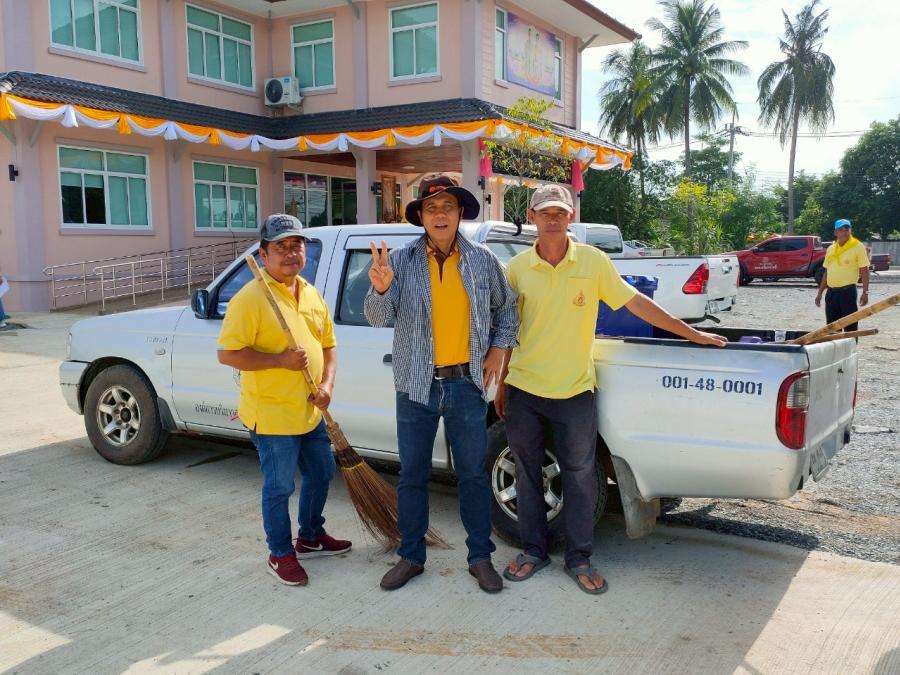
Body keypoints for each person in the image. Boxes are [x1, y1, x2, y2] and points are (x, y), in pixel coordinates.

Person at [495, 185, 726, 595]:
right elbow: (509, 329)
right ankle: (533, 551)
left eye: (560, 212)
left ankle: (579, 558)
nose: (553, 219)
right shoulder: (517, 269)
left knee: (581, 476)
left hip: (574, 391)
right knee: (528, 474)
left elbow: (635, 303)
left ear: (571, 216)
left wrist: (691, 333)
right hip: (524, 389)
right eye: (545, 212)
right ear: (532, 217)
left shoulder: (593, 262)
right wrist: (501, 383)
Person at [364, 173, 518, 594]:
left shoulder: (482, 260)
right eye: (431, 208)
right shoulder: (399, 262)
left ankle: (480, 557)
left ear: (460, 212)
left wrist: (498, 349)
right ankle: (411, 556)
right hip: (416, 385)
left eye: (447, 206)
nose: (439, 214)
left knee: (472, 476)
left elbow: (508, 310)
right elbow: (377, 318)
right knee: (412, 476)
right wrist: (380, 290)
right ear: (421, 216)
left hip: (466, 384)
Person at [217, 214, 351, 586]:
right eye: (281, 247)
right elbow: (227, 354)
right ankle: (279, 553)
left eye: (296, 245)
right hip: (272, 414)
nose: (291, 253)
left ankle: (310, 536)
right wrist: (279, 361)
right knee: (279, 487)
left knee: (321, 473)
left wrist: (327, 385)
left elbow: (329, 345)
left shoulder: (310, 292)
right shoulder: (251, 299)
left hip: (309, 410)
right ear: (263, 255)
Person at [815, 219, 870, 330]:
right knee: (832, 328)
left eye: (847, 229)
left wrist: (865, 292)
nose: (844, 232)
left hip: (848, 293)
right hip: (831, 293)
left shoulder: (857, 246)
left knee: (850, 327)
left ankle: (851, 342)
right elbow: (827, 272)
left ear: (850, 231)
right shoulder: (831, 249)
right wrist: (820, 293)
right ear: (835, 232)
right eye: (841, 230)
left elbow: (864, 270)